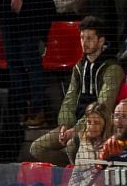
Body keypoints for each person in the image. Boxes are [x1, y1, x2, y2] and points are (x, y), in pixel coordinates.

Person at [30, 16, 122, 165]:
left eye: (89, 38)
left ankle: (80, 175)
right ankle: (72, 168)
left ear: (101, 41)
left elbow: (104, 106)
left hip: (99, 125)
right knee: (37, 148)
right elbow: (70, 98)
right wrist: (65, 125)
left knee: (73, 144)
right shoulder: (79, 67)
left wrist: (77, 129)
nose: (84, 43)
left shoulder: (112, 68)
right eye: (82, 38)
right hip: (74, 125)